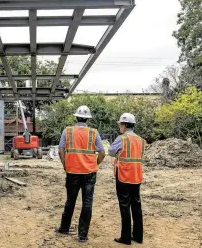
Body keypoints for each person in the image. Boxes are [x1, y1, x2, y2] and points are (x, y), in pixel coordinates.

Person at [56, 105, 106, 242]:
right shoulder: (94, 133)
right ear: (87, 119)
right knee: (87, 203)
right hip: (89, 173)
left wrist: (65, 165)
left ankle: (64, 228)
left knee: (70, 201)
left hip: (72, 171)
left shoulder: (68, 131)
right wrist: (94, 164)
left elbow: (60, 151)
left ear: (76, 117)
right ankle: (82, 235)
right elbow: (102, 153)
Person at [108, 113, 146, 245]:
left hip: (124, 176)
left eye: (120, 124)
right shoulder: (141, 140)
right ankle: (138, 236)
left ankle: (125, 238)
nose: (119, 127)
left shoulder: (122, 139)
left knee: (125, 206)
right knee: (137, 206)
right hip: (137, 176)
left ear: (124, 125)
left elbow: (111, 152)